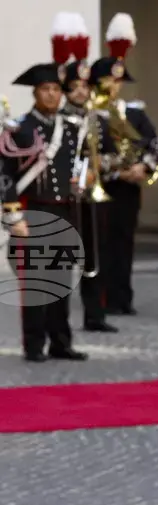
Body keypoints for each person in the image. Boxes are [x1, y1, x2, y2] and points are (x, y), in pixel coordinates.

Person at [0, 13, 91, 362]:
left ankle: (61, 341)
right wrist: (13, 215)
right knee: (37, 283)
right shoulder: (20, 129)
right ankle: (34, 344)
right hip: (33, 211)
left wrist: (83, 181)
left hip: (64, 210)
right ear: (35, 93)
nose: (51, 95)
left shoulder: (71, 128)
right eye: (45, 90)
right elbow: (5, 174)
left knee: (61, 281)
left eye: (55, 89)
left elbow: (78, 163)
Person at [90, 12, 158, 316]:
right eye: (109, 79)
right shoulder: (91, 115)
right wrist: (117, 169)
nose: (114, 85)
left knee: (125, 241)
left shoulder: (133, 113)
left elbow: (154, 142)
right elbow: (88, 152)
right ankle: (101, 299)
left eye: (118, 80)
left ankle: (123, 296)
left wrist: (143, 167)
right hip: (103, 187)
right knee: (102, 244)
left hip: (130, 189)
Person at [60, 24, 119, 334]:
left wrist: (98, 166)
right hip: (64, 197)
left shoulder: (97, 120)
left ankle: (95, 315)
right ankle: (58, 322)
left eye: (85, 86)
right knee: (61, 261)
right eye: (75, 87)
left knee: (95, 257)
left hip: (91, 197)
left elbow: (114, 155)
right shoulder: (59, 120)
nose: (81, 92)